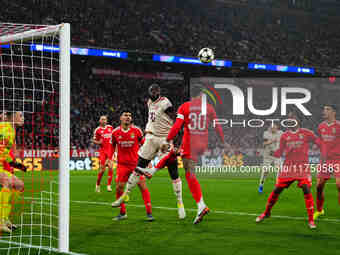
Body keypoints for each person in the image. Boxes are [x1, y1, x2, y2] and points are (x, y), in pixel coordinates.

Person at [136, 85, 224, 224]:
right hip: (202, 143)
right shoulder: (209, 107)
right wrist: (223, 141)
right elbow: (218, 126)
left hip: (190, 143)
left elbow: (177, 126)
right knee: (173, 153)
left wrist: (167, 139)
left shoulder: (185, 107)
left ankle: (201, 205)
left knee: (189, 175)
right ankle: (152, 171)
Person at [112, 84, 185, 219]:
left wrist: (174, 139)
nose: (154, 93)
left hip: (164, 138)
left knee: (173, 169)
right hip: (151, 137)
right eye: (152, 91)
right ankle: (124, 195)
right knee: (139, 167)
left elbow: (175, 119)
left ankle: (180, 202)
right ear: (149, 92)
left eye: (156, 91)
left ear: (159, 91)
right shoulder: (149, 102)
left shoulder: (165, 102)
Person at [256, 112, 318, 229]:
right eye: (288, 119)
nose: (290, 120)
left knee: (306, 189)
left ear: (298, 120)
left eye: (292, 118)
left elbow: (318, 142)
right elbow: (280, 152)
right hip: (288, 168)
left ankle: (311, 220)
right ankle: (266, 212)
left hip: (302, 168)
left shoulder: (306, 133)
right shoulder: (285, 135)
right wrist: (272, 153)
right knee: (277, 189)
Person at [111, 110, 153, 221]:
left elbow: (145, 145)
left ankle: (149, 213)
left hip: (136, 164)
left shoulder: (137, 131)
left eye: (130, 115)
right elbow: (112, 147)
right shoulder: (115, 132)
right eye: (125, 115)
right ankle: (122, 213)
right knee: (119, 188)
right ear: (120, 118)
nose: (128, 117)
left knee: (142, 186)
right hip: (122, 165)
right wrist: (110, 159)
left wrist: (148, 161)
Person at [0, 111, 26, 233]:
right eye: (20, 115)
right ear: (13, 116)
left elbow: (4, 151)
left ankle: (5, 217)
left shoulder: (11, 130)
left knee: (19, 185)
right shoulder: (4, 128)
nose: (23, 118)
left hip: (1, 164)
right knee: (7, 182)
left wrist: (15, 164)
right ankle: (1, 220)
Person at [314, 104, 340, 220]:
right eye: (324, 109)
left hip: (337, 159)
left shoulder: (338, 126)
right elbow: (319, 139)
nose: (324, 111)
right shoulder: (321, 126)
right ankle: (319, 210)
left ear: (334, 112)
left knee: (339, 185)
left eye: (327, 109)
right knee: (319, 186)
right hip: (324, 160)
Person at [259, 123, 283, 193]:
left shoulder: (280, 133)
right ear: (269, 128)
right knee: (265, 171)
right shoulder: (266, 133)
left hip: (277, 155)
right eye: (272, 127)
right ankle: (261, 185)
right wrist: (273, 141)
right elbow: (264, 143)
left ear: (277, 127)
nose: (273, 128)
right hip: (268, 155)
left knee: (278, 170)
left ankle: (277, 186)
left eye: (274, 127)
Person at [92, 115, 114, 192]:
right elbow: (94, 140)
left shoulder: (110, 128)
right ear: (100, 121)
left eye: (105, 119)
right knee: (102, 170)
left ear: (106, 121)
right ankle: (97, 184)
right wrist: (98, 142)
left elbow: (114, 138)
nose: (104, 121)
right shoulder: (97, 130)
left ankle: (109, 185)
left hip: (110, 151)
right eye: (102, 119)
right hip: (103, 151)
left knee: (111, 167)